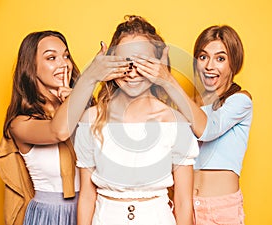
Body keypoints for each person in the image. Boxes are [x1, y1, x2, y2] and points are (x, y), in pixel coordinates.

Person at [74, 15, 199, 225]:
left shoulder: (176, 123)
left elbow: (183, 200)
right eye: (125, 63)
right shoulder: (90, 120)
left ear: (158, 64)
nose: (132, 73)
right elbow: (87, 196)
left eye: (143, 63)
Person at [0, 30, 129, 225]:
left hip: (94, 208)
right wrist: (89, 78)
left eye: (66, 56)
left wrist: (79, 100)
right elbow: (58, 131)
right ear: (31, 67)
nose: (63, 63)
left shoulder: (86, 111)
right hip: (48, 215)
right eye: (51, 57)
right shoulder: (20, 124)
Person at [134, 25, 253, 224]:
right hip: (184, 206)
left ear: (234, 62)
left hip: (220, 210)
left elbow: (207, 129)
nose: (209, 66)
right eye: (203, 56)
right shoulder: (187, 105)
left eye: (220, 58)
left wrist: (167, 80)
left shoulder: (240, 101)